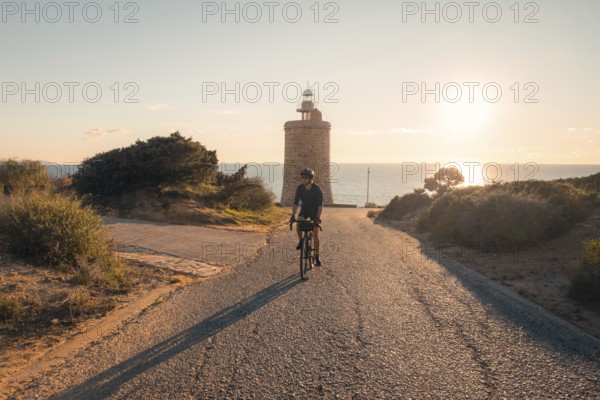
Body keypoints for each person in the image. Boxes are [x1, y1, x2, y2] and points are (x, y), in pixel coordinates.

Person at [290, 168, 323, 266]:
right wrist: (293, 215)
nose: (303, 179)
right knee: (299, 222)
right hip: (305, 209)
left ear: (311, 178)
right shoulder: (300, 188)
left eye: (306, 177)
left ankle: (317, 256)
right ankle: (301, 240)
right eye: (302, 177)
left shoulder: (317, 189)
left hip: (314, 211)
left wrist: (317, 218)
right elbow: (295, 203)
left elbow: (320, 205)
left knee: (315, 234)